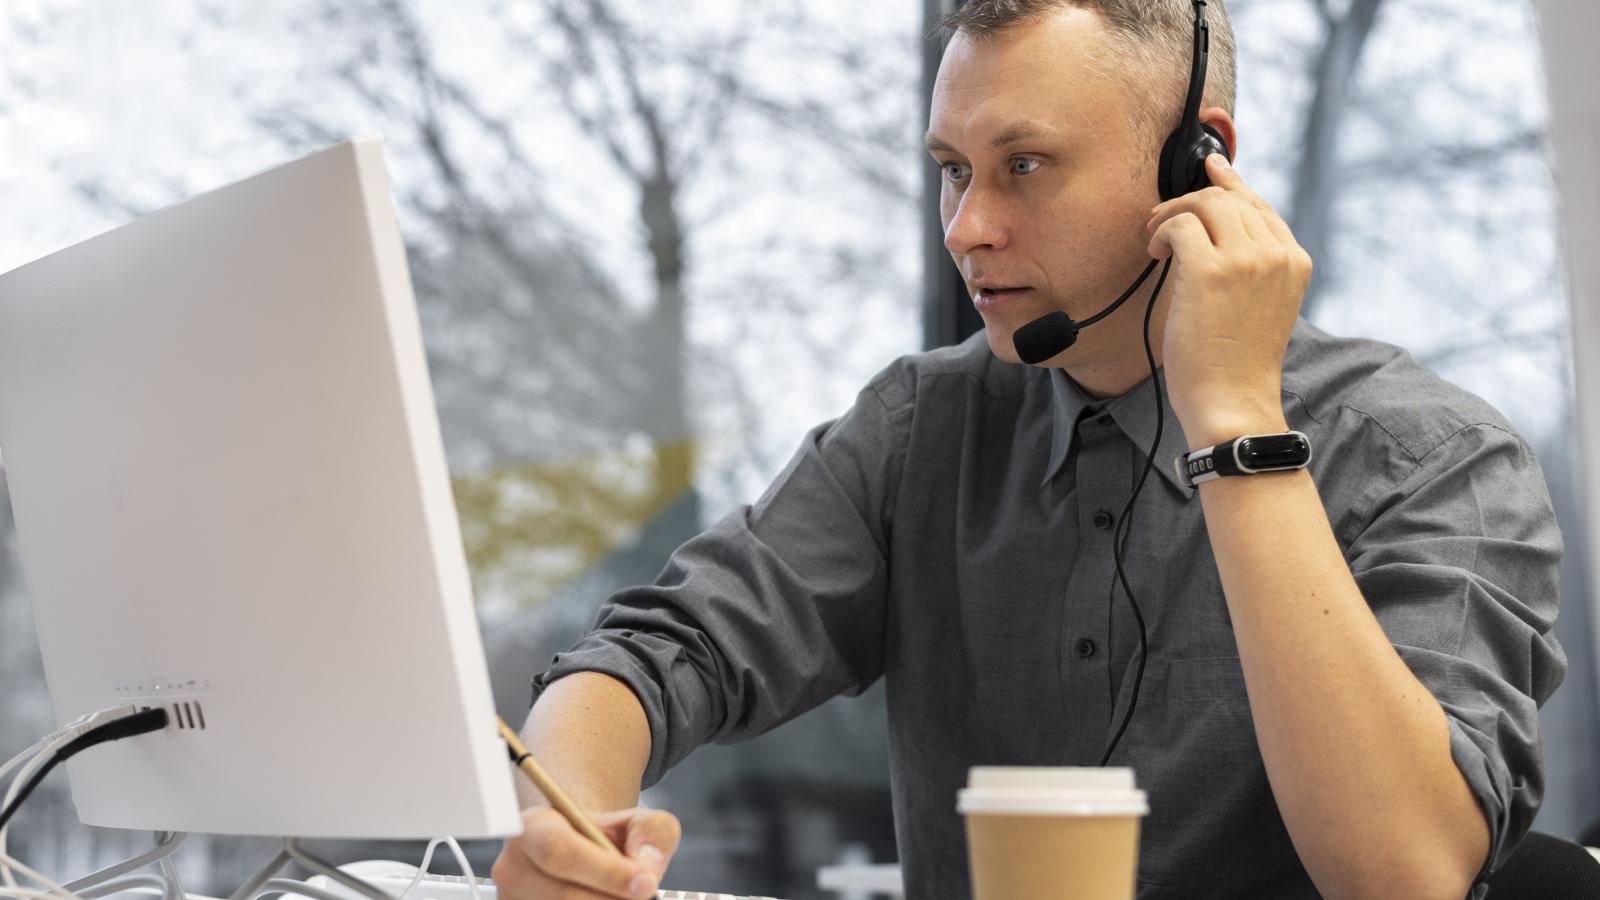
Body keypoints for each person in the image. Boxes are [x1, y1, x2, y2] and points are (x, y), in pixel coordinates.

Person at [491, 1, 1566, 898]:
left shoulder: (1433, 456)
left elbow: (1406, 873)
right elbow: (658, 649)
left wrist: (1235, 422)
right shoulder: (924, 427)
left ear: (1197, 164)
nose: (964, 226)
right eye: (953, 168)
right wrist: (570, 822)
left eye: (1026, 165)